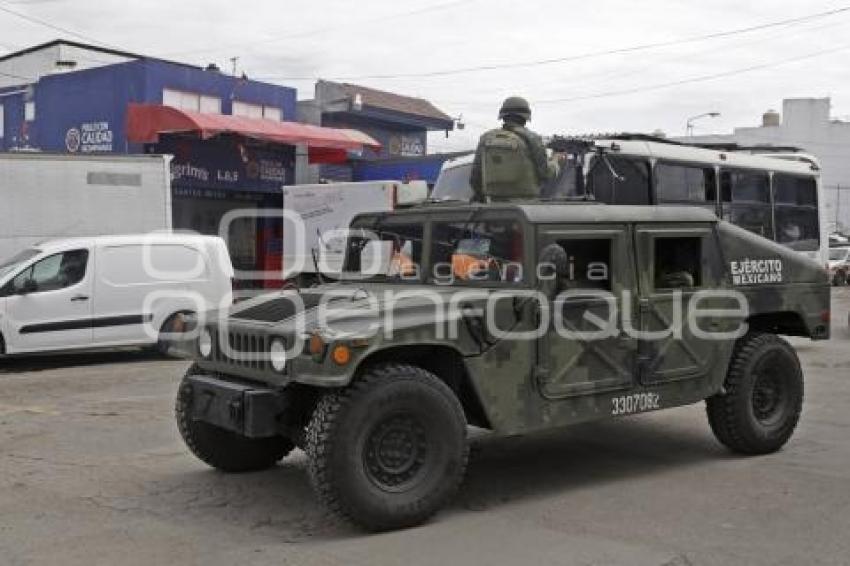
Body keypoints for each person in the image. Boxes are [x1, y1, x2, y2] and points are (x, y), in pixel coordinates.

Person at [470, 96, 558, 202]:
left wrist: (481, 199)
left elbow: (475, 178)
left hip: (493, 206)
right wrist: (555, 162)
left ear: (503, 116)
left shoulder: (486, 138)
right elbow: (545, 174)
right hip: (527, 207)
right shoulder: (533, 139)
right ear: (525, 118)